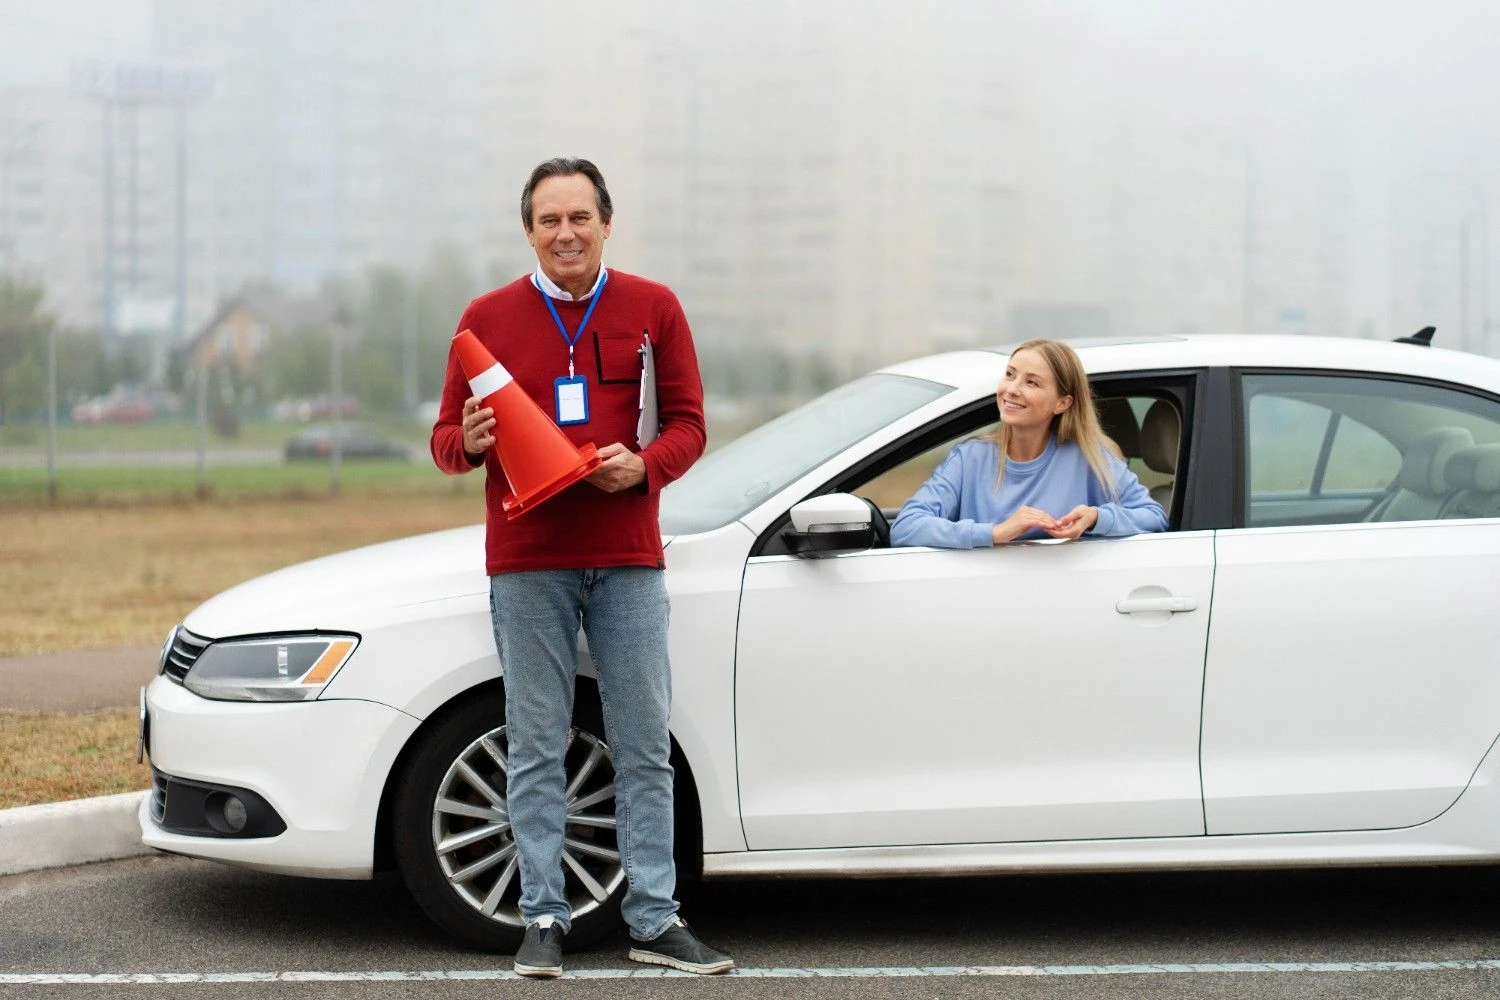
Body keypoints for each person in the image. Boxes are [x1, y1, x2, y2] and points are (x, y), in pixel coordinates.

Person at [430, 157, 733, 977]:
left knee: (642, 744)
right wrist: (473, 442)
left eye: (579, 218)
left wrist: (645, 466)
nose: (565, 233)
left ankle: (655, 920)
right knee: (536, 742)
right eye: (548, 220)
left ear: (606, 222)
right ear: (528, 229)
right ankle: (543, 918)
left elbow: (691, 426)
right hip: (528, 562)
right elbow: (446, 445)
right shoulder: (485, 317)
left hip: (627, 559)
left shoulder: (653, 308)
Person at [890, 338, 1167, 548]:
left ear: (1062, 403)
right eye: (1010, 375)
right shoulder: (970, 458)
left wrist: (1095, 518)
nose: (1011, 389)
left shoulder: (1089, 459)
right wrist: (996, 533)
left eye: (1031, 383)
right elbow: (905, 527)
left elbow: (1154, 517)